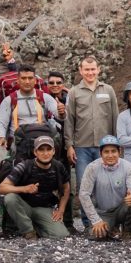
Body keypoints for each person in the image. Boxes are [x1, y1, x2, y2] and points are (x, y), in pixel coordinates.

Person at [64, 56, 119, 228]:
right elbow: (69, 120)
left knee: (106, 184)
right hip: (82, 147)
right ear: (81, 71)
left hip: (105, 147)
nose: (90, 72)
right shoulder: (74, 92)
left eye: (93, 69)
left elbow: (114, 117)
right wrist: (69, 145)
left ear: (98, 69)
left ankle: (108, 221)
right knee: (84, 185)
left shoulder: (108, 90)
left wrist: (116, 146)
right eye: (86, 69)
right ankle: (89, 223)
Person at [0, 136, 70, 239]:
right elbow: (2, 188)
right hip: (24, 206)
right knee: (10, 198)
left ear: (53, 151)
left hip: (45, 208)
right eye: (41, 150)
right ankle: (29, 232)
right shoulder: (24, 166)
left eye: (49, 149)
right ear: (35, 152)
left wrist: (61, 210)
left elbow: (66, 188)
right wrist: (24, 189)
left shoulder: (59, 167)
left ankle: (37, 226)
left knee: (61, 234)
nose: (45, 153)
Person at [78, 135, 131, 240]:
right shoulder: (92, 168)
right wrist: (96, 220)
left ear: (119, 152)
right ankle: (111, 229)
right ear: (100, 153)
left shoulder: (128, 166)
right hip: (104, 213)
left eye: (113, 151)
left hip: (122, 208)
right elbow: (83, 194)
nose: (110, 155)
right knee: (96, 235)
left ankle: (128, 231)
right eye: (106, 152)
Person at [0, 64, 59, 149]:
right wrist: (1, 137)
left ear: (35, 80)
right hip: (17, 144)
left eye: (30, 78)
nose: (27, 81)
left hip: (41, 143)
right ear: (18, 80)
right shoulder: (9, 100)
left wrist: (61, 113)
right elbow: (1, 122)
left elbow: (59, 115)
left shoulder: (45, 97)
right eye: (23, 78)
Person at [47, 70, 73, 229]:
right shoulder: (42, 98)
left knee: (66, 183)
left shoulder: (71, 99)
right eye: (51, 83)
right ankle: (48, 220)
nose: (55, 85)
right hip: (46, 148)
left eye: (58, 82)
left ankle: (68, 221)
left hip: (65, 147)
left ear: (63, 84)